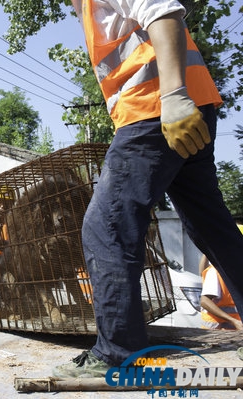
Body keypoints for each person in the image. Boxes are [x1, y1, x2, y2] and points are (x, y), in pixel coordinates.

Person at [53, 0, 243, 378]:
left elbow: (163, 12)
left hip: (157, 108)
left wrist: (173, 96)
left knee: (106, 225)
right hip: (183, 105)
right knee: (213, 228)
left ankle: (119, 356)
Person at [199, 254, 243, 330]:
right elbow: (204, 301)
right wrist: (233, 321)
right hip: (215, 330)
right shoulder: (215, 272)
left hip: (235, 330)